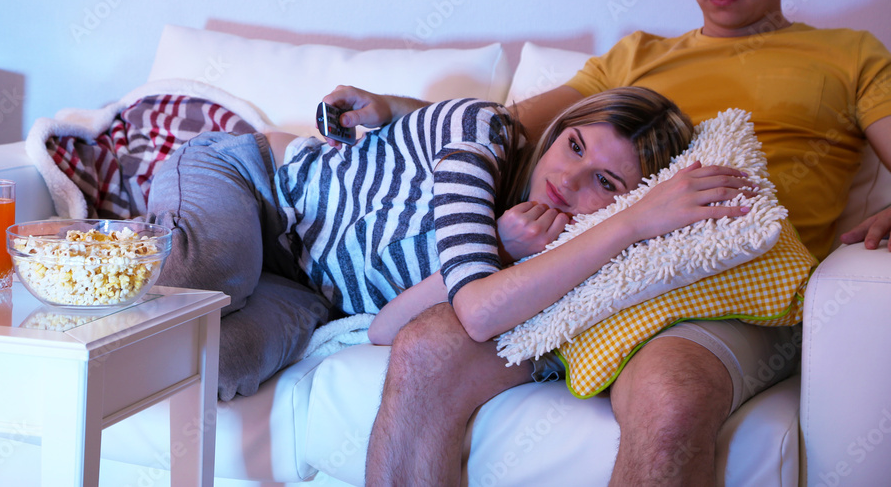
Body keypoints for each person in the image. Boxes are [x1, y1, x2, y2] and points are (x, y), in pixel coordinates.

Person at [343, 0, 891, 485]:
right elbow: (508, 124)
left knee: (670, 397)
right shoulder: (638, 56)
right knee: (426, 347)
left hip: (727, 291)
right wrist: (399, 108)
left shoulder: (848, 56)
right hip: (587, 276)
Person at [143, 86, 745, 401]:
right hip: (254, 184)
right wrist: (633, 220)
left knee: (213, 360)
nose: (567, 179)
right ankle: (86, 243)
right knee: (211, 270)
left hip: (305, 290)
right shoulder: (481, 138)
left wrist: (509, 254)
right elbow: (478, 311)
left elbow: (382, 330)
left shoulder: (538, 256)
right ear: (556, 133)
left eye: (606, 183)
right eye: (576, 147)